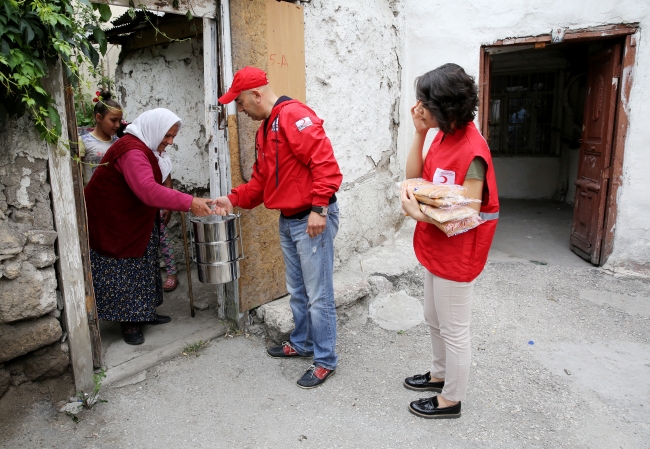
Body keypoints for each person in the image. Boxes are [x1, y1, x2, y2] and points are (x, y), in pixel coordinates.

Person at [212, 66, 342, 389]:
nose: (240, 110)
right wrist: (232, 199)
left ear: (256, 94)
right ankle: (302, 342)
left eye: (240, 103)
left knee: (318, 294)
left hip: (311, 220)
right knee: (298, 291)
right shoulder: (264, 130)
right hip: (289, 220)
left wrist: (319, 209)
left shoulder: (294, 116)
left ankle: (325, 360)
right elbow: (259, 184)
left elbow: (325, 162)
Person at [400, 63, 499, 419]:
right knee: (432, 315)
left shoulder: (473, 152)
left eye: (425, 101)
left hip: (458, 251)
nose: (420, 107)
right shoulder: (443, 134)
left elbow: (465, 216)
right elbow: (415, 178)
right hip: (435, 245)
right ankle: (440, 375)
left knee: (455, 330)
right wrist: (419, 132)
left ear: (447, 107)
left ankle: (451, 400)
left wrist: (418, 216)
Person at [84, 108, 215, 345]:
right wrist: (189, 202)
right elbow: (146, 189)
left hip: (133, 217)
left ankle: (143, 313)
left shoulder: (144, 148)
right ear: (154, 130)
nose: (170, 141)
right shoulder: (131, 151)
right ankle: (129, 322)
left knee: (143, 263)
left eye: (173, 137)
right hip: (114, 221)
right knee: (123, 270)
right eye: (167, 135)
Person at [79, 90, 122, 185]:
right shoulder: (84, 141)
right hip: (91, 196)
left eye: (119, 121)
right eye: (113, 120)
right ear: (98, 117)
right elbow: (76, 173)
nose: (118, 125)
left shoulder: (118, 143)